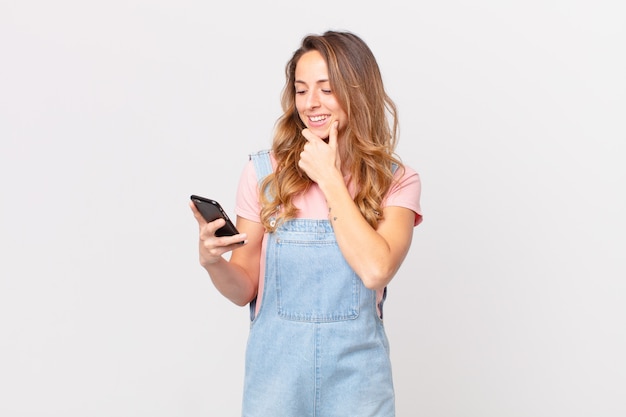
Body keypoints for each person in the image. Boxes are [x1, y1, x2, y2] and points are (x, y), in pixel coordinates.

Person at [190, 30, 422, 417]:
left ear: (358, 90)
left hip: (358, 386)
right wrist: (213, 261)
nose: (310, 103)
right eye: (300, 90)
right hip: (275, 386)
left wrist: (330, 179)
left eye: (326, 89)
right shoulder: (265, 173)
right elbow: (243, 287)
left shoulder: (395, 181)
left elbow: (376, 270)